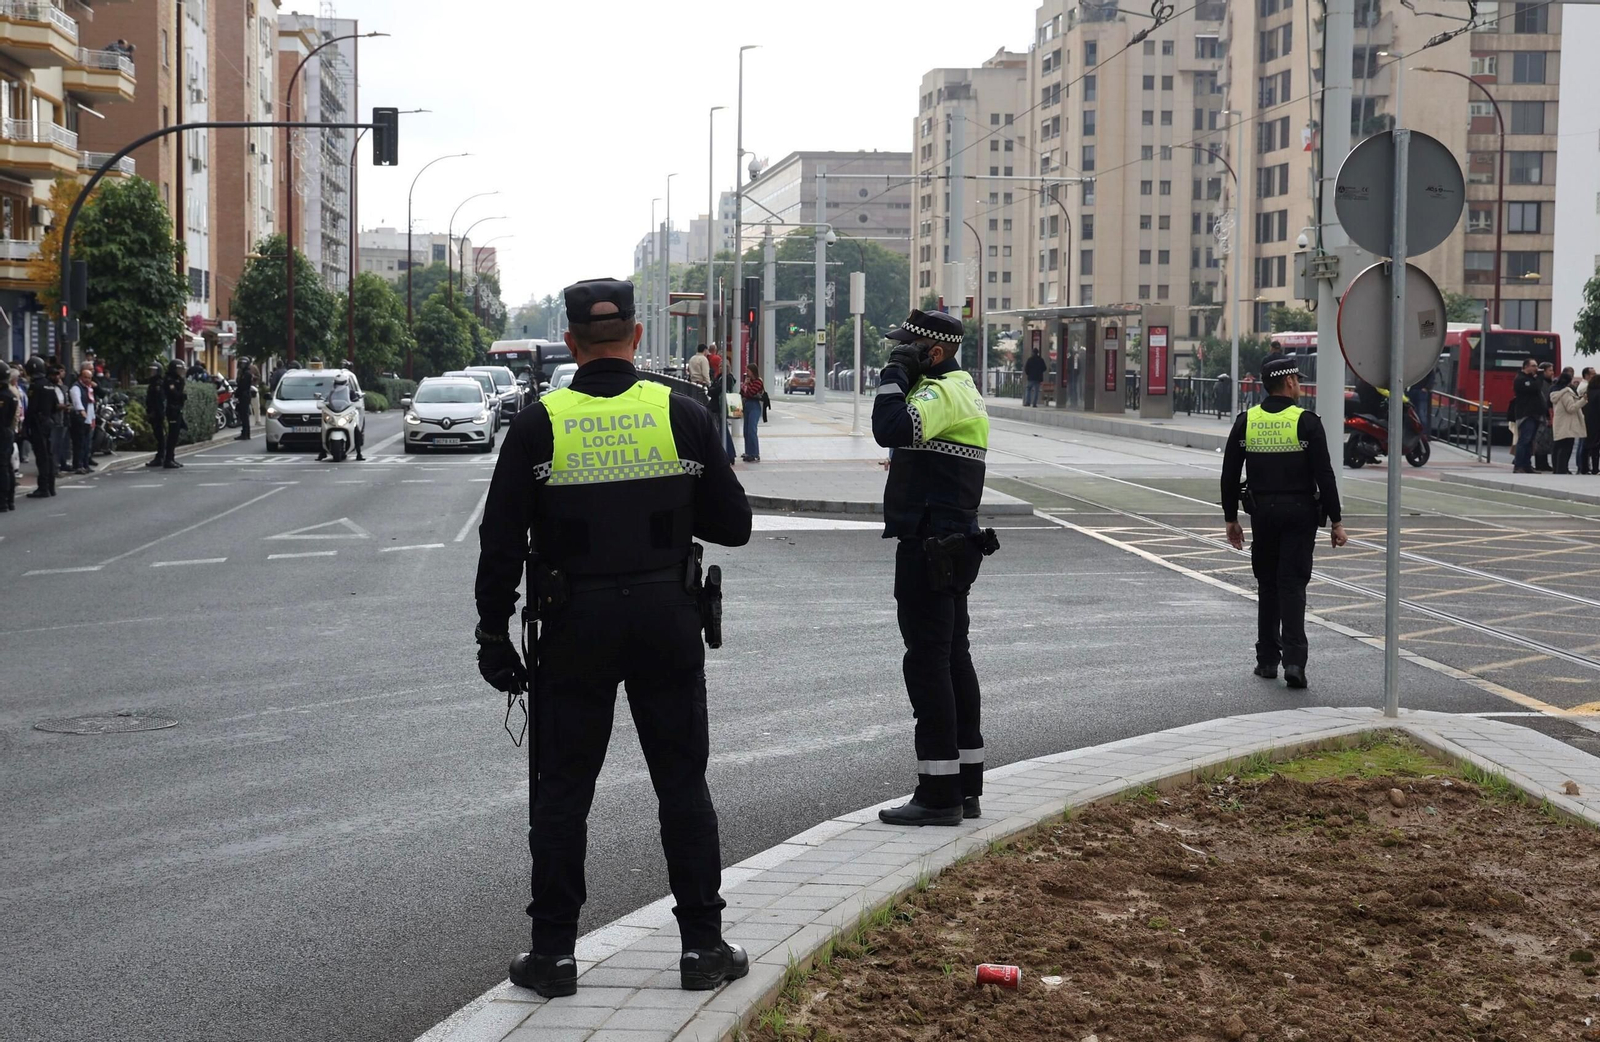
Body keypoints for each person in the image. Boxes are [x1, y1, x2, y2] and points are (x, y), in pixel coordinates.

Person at [473, 278, 753, 999]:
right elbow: (734, 525)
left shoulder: (540, 423)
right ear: (633, 337)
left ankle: (554, 955)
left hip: (575, 625)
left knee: (563, 792)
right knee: (682, 785)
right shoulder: (682, 412)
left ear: (571, 343)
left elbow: (501, 541)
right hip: (666, 619)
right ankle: (702, 948)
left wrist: (492, 633)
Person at [872, 307, 996, 827]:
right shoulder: (961, 388)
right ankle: (964, 784)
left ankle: (938, 794)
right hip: (951, 541)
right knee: (952, 659)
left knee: (928, 664)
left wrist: (892, 377)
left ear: (934, 352)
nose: (898, 353)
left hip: (930, 544)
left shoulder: (939, 390)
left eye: (907, 348)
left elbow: (888, 428)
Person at [1221, 356, 1347, 689]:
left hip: (1263, 515)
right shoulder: (1306, 422)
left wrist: (1230, 518)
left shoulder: (1247, 421)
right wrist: (1336, 520)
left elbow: (1229, 474)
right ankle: (1294, 662)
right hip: (1300, 515)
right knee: (1292, 586)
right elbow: (1325, 474)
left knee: (1268, 586)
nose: (1300, 386)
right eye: (1298, 380)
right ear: (1289, 382)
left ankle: (1266, 660)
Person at [24, 357, 55, 498]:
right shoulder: (49, 384)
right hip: (48, 421)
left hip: (38, 423)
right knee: (48, 454)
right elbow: (54, 405)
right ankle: (51, 486)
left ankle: (43, 488)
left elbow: (31, 408)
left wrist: (26, 427)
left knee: (41, 456)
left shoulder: (35, 386)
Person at [1511, 357, 1544, 474]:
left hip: (1535, 414)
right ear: (1526, 367)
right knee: (1524, 440)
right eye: (1534, 366)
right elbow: (1535, 387)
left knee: (1530, 441)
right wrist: (1540, 376)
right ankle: (1518, 465)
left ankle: (1527, 465)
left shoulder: (1531, 379)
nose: (1536, 368)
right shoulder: (1521, 379)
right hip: (1526, 414)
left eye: (1536, 366)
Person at [1551, 370, 1586, 475]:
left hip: (1559, 422)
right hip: (1568, 424)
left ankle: (1557, 468)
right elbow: (1571, 408)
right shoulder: (1566, 393)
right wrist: (1583, 401)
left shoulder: (1555, 392)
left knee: (1557, 447)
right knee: (1566, 448)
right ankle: (1562, 469)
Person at [68, 363, 96, 474]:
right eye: (85, 377)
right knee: (79, 443)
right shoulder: (76, 387)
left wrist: (92, 418)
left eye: (89, 378)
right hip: (79, 419)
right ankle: (78, 465)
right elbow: (77, 402)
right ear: (81, 377)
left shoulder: (88, 389)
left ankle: (85, 464)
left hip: (88, 419)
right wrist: (82, 412)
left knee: (86, 444)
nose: (88, 380)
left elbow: (91, 405)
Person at [161, 359, 188, 469]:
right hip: (172, 410)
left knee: (175, 435)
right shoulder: (169, 380)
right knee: (172, 435)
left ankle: (171, 458)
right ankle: (168, 459)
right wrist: (181, 396)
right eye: (178, 369)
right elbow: (173, 394)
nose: (180, 371)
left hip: (177, 409)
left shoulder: (179, 379)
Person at [739, 363, 765, 463]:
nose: (747, 373)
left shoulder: (758, 382)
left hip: (754, 406)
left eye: (748, 371)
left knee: (752, 430)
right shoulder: (748, 382)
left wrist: (747, 385)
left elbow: (751, 393)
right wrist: (745, 385)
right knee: (746, 430)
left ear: (753, 371)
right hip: (747, 406)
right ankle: (748, 451)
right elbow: (742, 392)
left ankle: (754, 453)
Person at [0, 362, 16, 512]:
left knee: (3, 467)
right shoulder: (10, 394)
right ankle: (9, 499)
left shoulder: (3, 396)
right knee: (8, 466)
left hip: (2, 432)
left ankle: (3, 501)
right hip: (8, 431)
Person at [143, 363, 166, 467]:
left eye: (153, 371)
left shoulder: (158, 384)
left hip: (157, 414)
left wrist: (156, 413)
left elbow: (158, 401)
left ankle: (161, 456)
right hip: (154, 413)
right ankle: (161, 455)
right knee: (158, 436)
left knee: (160, 436)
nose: (151, 373)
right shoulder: (153, 383)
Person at [1579, 367, 1597, 473]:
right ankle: (1583, 467)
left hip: (1587, 418)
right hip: (1588, 419)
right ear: (1586, 375)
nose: (1594, 376)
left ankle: (1584, 467)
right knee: (1585, 445)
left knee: (1585, 444)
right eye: (1592, 374)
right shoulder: (1585, 387)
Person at [1584, 373, 1600, 477]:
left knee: (1590, 445)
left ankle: (1589, 468)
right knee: (1596, 445)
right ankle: (1595, 468)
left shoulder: (1588, 392)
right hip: (1598, 421)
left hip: (1588, 420)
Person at [235, 360, 254, 441]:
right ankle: (245, 433)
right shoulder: (245, 373)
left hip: (244, 396)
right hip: (244, 395)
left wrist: (237, 392)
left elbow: (242, 386)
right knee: (243, 415)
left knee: (244, 415)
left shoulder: (246, 374)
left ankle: (245, 433)